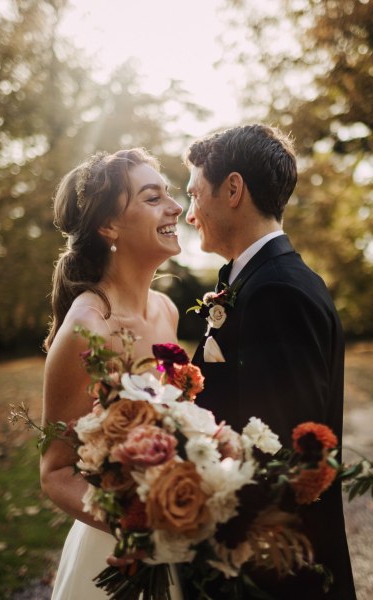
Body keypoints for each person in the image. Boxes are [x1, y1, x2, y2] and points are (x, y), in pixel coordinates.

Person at [182, 124, 356, 599]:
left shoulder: (277, 292)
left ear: (233, 189)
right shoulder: (263, 281)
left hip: (274, 573)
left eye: (195, 193)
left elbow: (279, 458)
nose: (190, 212)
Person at [40, 148, 183, 599]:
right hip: (117, 553)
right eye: (152, 197)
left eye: (170, 195)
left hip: (176, 537)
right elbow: (56, 472)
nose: (175, 207)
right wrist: (139, 527)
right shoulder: (87, 329)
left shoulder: (167, 310)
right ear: (109, 227)